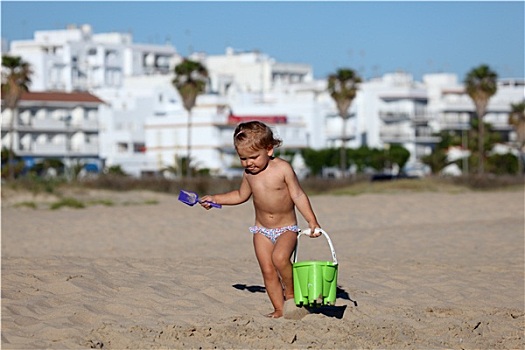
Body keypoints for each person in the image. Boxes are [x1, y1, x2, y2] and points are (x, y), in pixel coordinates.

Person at [200, 121, 321, 319]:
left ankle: (290, 295)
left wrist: (312, 221)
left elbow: (298, 195)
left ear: (269, 149)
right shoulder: (249, 175)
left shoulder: (283, 169)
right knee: (267, 270)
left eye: (254, 157)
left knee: (280, 259)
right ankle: (279, 308)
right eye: (243, 159)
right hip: (261, 231)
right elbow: (240, 195)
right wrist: (215, 199)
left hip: (286, 228)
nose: (249, 163)